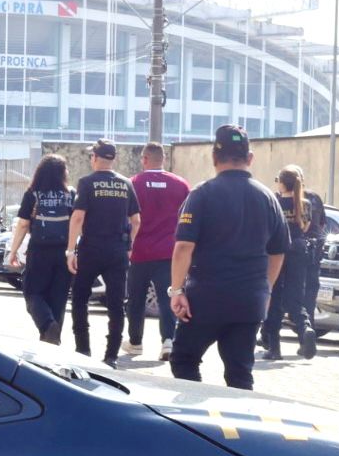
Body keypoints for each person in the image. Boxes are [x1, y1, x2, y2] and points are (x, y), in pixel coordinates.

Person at [168, 124, 288, 390]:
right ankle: (238, 427)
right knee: (240, 372)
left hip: (206, 299)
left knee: (184, 359)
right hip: (250, 300)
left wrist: (176, 290)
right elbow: (278, 252)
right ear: (250, 158)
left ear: (214, 157)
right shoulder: (269, 198)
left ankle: (196, 419)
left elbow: (184, 246)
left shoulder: (201, 194)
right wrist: (265, 290)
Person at [66, 139, 141, 367]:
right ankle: (111, 356)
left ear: (95, 158)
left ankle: (83, 349)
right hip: (117, 250)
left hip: (91, 248)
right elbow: (136, 221)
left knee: (80, 299)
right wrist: (129, 247)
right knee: (116, 304)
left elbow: (78, 217)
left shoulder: (87, 183)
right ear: (114, 159)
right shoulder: (126, 183)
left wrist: (71, 250)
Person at [126, 142, 189, 362]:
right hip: (168, 253)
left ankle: (135, 342)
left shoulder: (134, 183)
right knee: (167, 298)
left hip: (139, 252)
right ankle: (168, 341)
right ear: (164, 158)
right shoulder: (180, 185)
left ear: (144, 159)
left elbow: (128, 219)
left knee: (135, 299)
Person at [8, 153, 75, 344]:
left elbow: (22, 224)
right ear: (62, 173)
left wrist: (13, 251)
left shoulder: (33, 193)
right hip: (64, 252)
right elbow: (77, 221)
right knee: (58, 298)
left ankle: (47, 326)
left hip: (39, 251)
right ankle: (53, 339)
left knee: (32, 294)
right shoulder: (70, 194)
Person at [261, 165, 322, 361]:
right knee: (295, 298)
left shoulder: (274, 202)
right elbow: (306, 226)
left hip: (278, 251)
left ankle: (274, 348)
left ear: (281, 183)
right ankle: (305, 330)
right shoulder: (304, 203)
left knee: (275, 298)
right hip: (299, 249)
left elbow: (268, 228)